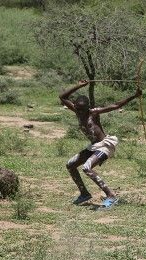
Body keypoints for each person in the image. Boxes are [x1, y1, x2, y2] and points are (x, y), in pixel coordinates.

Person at [59, 80, 141, 208]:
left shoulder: (94, 113)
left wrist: (134, 96)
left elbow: (115, 105)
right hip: (94, 147)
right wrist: (80, 85)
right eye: (78, 109)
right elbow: (62, 97)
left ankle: (111, 195)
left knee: (86, 168)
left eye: (82, 110)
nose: (80, 112)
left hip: (105, 146)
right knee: (70, 165)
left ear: (88, 108)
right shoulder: (76, 110)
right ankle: (84, 193)